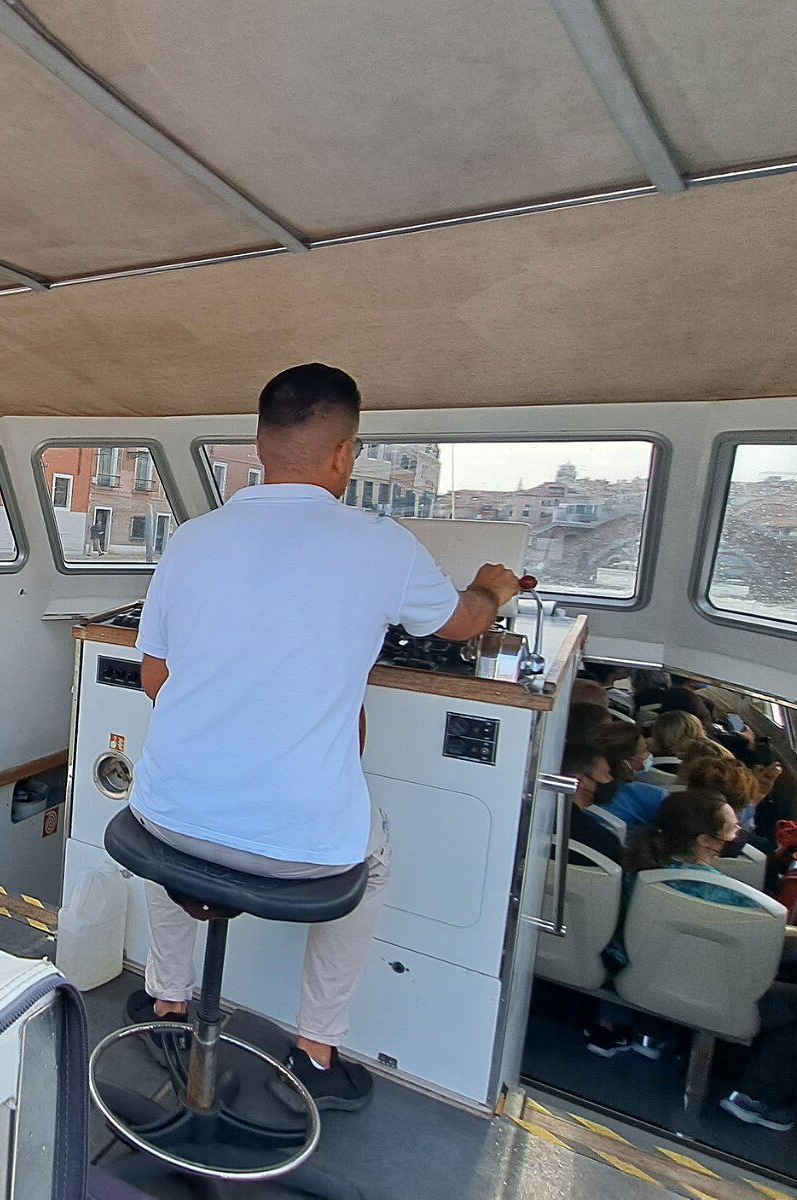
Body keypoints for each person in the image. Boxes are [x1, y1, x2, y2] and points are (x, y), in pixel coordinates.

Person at [126, 363, 522, 1111]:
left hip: (164, 822)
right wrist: (493, 588)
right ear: (345, 454)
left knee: (173, 808)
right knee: (374, 855)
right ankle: (314, 1051)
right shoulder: (380, 544)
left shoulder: (191, 540)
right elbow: (464, 622)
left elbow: (155, 678)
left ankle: (167, 1001)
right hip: (300, 849)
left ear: (260, 445)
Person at [624, 790, 797, 1132]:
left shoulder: (639, 866)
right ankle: (753, 1098)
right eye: (732, 830)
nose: (739, 835)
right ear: (705, 841)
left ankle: (650, 1036)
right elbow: (772, 946)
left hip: (640, 977)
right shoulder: (731, 897)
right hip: (703, 991)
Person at [594, 721, 670, 828]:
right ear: (625, 763)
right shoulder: (656, 796)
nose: (649, 755)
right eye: (644, 751)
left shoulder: (583, 794)